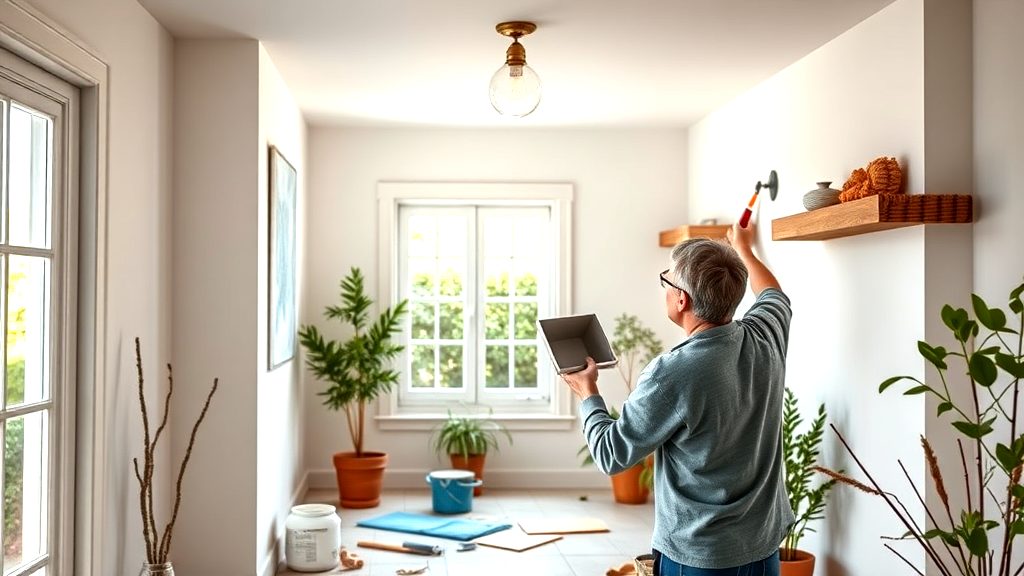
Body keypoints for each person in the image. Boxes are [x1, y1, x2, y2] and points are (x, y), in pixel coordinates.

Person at [562, 222, 793, 576]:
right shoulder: (767, 336)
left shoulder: (671, 373)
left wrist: (586, 391)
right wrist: (743, 250)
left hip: (700, 558)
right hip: (764, 551)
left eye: (665, 279)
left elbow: (611, 454)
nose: (663, 286)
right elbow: (773, 294)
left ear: (681, 299)